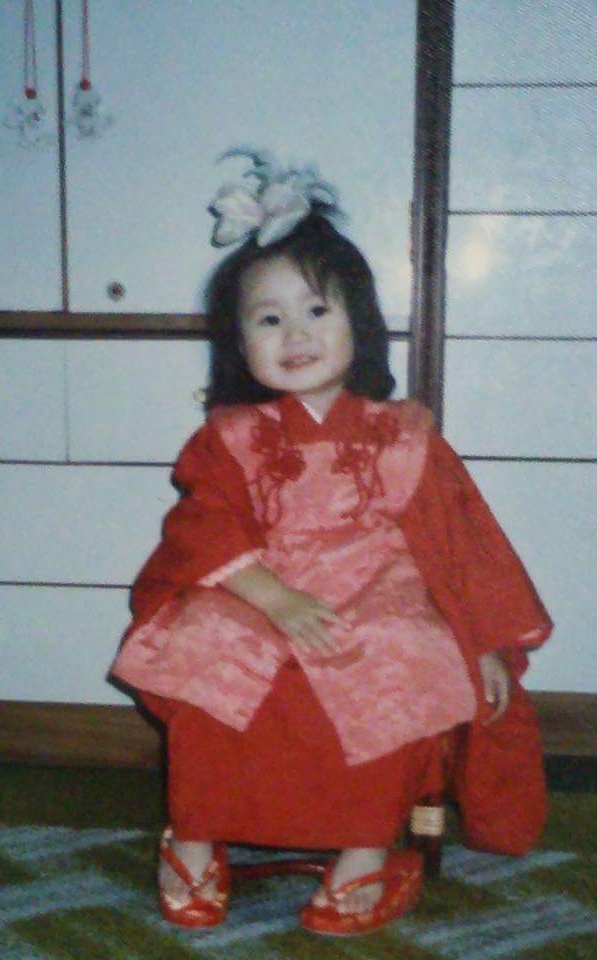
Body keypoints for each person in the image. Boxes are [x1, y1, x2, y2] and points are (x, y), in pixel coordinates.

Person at [111, 150, 553, 937]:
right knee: (210, 647)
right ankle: (195, 837)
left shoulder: (404, 434)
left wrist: (484, 640)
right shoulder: (229, 437)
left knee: (397, 654)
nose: (296, 334)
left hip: (379, 587)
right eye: (268, 318)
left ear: (360, 323)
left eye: (317, 311)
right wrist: (275, 599)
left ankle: (363, 849)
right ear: (239, 341)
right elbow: (203, 529)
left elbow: (461, 543)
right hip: (256, 583)